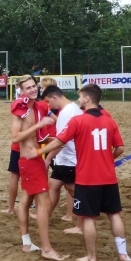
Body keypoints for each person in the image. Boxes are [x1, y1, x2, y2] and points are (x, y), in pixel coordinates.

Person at [42, 83, 131, 261]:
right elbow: (120, 147)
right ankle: (123, 254)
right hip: (108, 176)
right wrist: (108, 159)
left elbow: (59, 142)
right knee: (114, 214)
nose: (79, 100)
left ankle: (91, 256)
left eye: (80, 97)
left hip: (87, 177)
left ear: (87, 98)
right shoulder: (109, 120)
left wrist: (37, 153)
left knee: (88, 216)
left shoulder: (78, 120)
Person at [9, 75, 67, 261]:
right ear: (21, 90)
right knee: (44, 204)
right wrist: (40, 125)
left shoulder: (38, 106)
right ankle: (46, 248)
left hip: (35, 159)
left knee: (26, 199)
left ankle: (27, 242)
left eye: (34, 86)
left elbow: (56, 117)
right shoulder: (21, 107)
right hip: (29, 159)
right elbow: (15, 137)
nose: (32, 89)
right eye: (28, 88)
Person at [41, 85, 84, 234]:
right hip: (64, 158)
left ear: (54, 97)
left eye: (48, 101)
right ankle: (45, 215)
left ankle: (81, 224)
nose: (48, 105)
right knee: (53, 185)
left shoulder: (67, 113)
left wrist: (47, 158)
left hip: (69, 159)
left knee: (74, 191)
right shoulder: (70, 110)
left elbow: (61, 141)